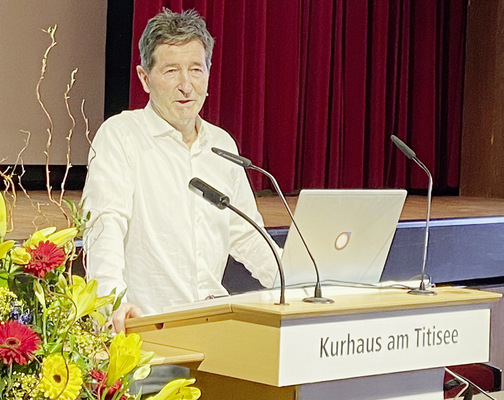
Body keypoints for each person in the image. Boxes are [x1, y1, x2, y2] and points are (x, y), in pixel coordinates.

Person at [82, 8, 278, 334]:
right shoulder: (121, 136)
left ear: (209, 73)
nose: (186, 86)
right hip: (149, 328)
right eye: (172, 71)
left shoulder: (221, 144)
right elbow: (105, 228)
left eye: (196, 70)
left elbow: (247, 235)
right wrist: (112, 303)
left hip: (216, 326)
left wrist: (308, 283)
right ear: (145, 78)